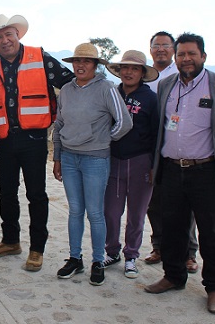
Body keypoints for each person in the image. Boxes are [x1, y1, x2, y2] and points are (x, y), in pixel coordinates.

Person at [144, 33, 215, 316]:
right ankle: (173, 276)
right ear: (175, 58)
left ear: (203, 56)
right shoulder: (166, 85)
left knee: (211, 231)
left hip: (206, 171)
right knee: (172, 227)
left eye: (191, 54)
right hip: (171, 170)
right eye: (181, 54)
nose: (186, 59)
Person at [0, 14, 74, 272]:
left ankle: (37, 248)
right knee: (6, 194)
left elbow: (69, 84)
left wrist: (67, 120)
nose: (4, 40)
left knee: (37, 195)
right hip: (3, 140)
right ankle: (11, 241)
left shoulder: (40, 57)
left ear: (18, 35)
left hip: (34, 139)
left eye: (8, 35)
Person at [52, 43, 132, 285]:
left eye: (86, 61)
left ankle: (98, 261)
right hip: (69, 158)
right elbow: (59, 124)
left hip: (95, 159)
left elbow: (124, 122)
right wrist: (57, 157)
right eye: (77, 61)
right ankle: (75, 258)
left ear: (95, 65)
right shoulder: (67, 90)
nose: (81, 65)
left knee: (95, 212)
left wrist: (104, 139)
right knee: (75, 210)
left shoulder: (106, 88)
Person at [144, 31, 199, 274]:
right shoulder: (145, 77)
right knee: (154, 202)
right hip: (152, 149)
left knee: (186, 205)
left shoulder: (181, 76)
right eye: (156, 45)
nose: (161, 49)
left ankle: (189, 252)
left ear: (173, 51)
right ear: (150, 50)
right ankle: (159, 246)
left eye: (166, 45)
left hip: (179, 149)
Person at [103, 50, 159, 279]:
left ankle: (131, 256)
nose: (129, 72)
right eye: (125, 67)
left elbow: (157, 133)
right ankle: (112, 251)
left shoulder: (151, 98)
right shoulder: (111, 93)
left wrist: (155, 166)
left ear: (142, 73)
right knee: (111, 212)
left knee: (136, 214)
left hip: (140, 162)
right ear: (119, 71)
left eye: (134, 68)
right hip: (113, 161)